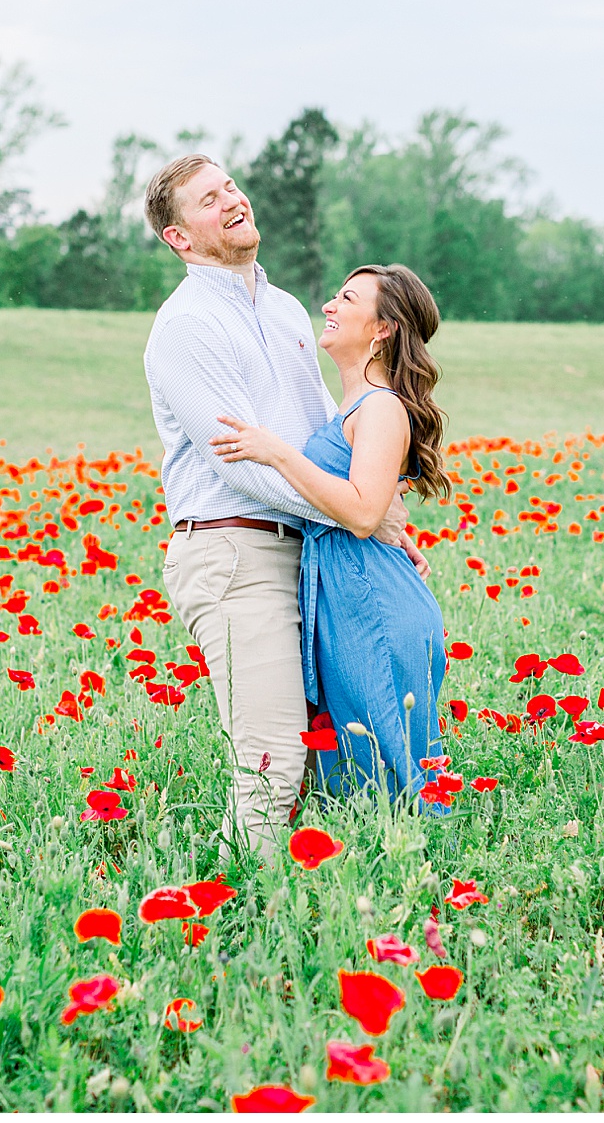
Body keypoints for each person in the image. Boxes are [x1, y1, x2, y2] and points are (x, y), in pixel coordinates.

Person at [140, 154, 430, 862]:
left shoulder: (286, 310)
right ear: (179, 237)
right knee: (272, 758)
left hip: (310, 553)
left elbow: (325, 428)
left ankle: (315, 900)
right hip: (234, 551)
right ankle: (231, 912)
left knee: (329, 752)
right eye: (209, 200)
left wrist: (377, 507)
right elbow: (240, 463)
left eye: (230, 186)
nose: (232, 200)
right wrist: (356, 514)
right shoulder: (186, 327)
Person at [212, 263, 452, 813]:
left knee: (393, 773)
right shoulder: (352, 406)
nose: (329, 306)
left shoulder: (382, 406)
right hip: (348, 600)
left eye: (347, 298)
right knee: (356, 775)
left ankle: (426, 864)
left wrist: (277, 452)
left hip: (375, 605)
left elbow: (364, 514)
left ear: (383, 329)